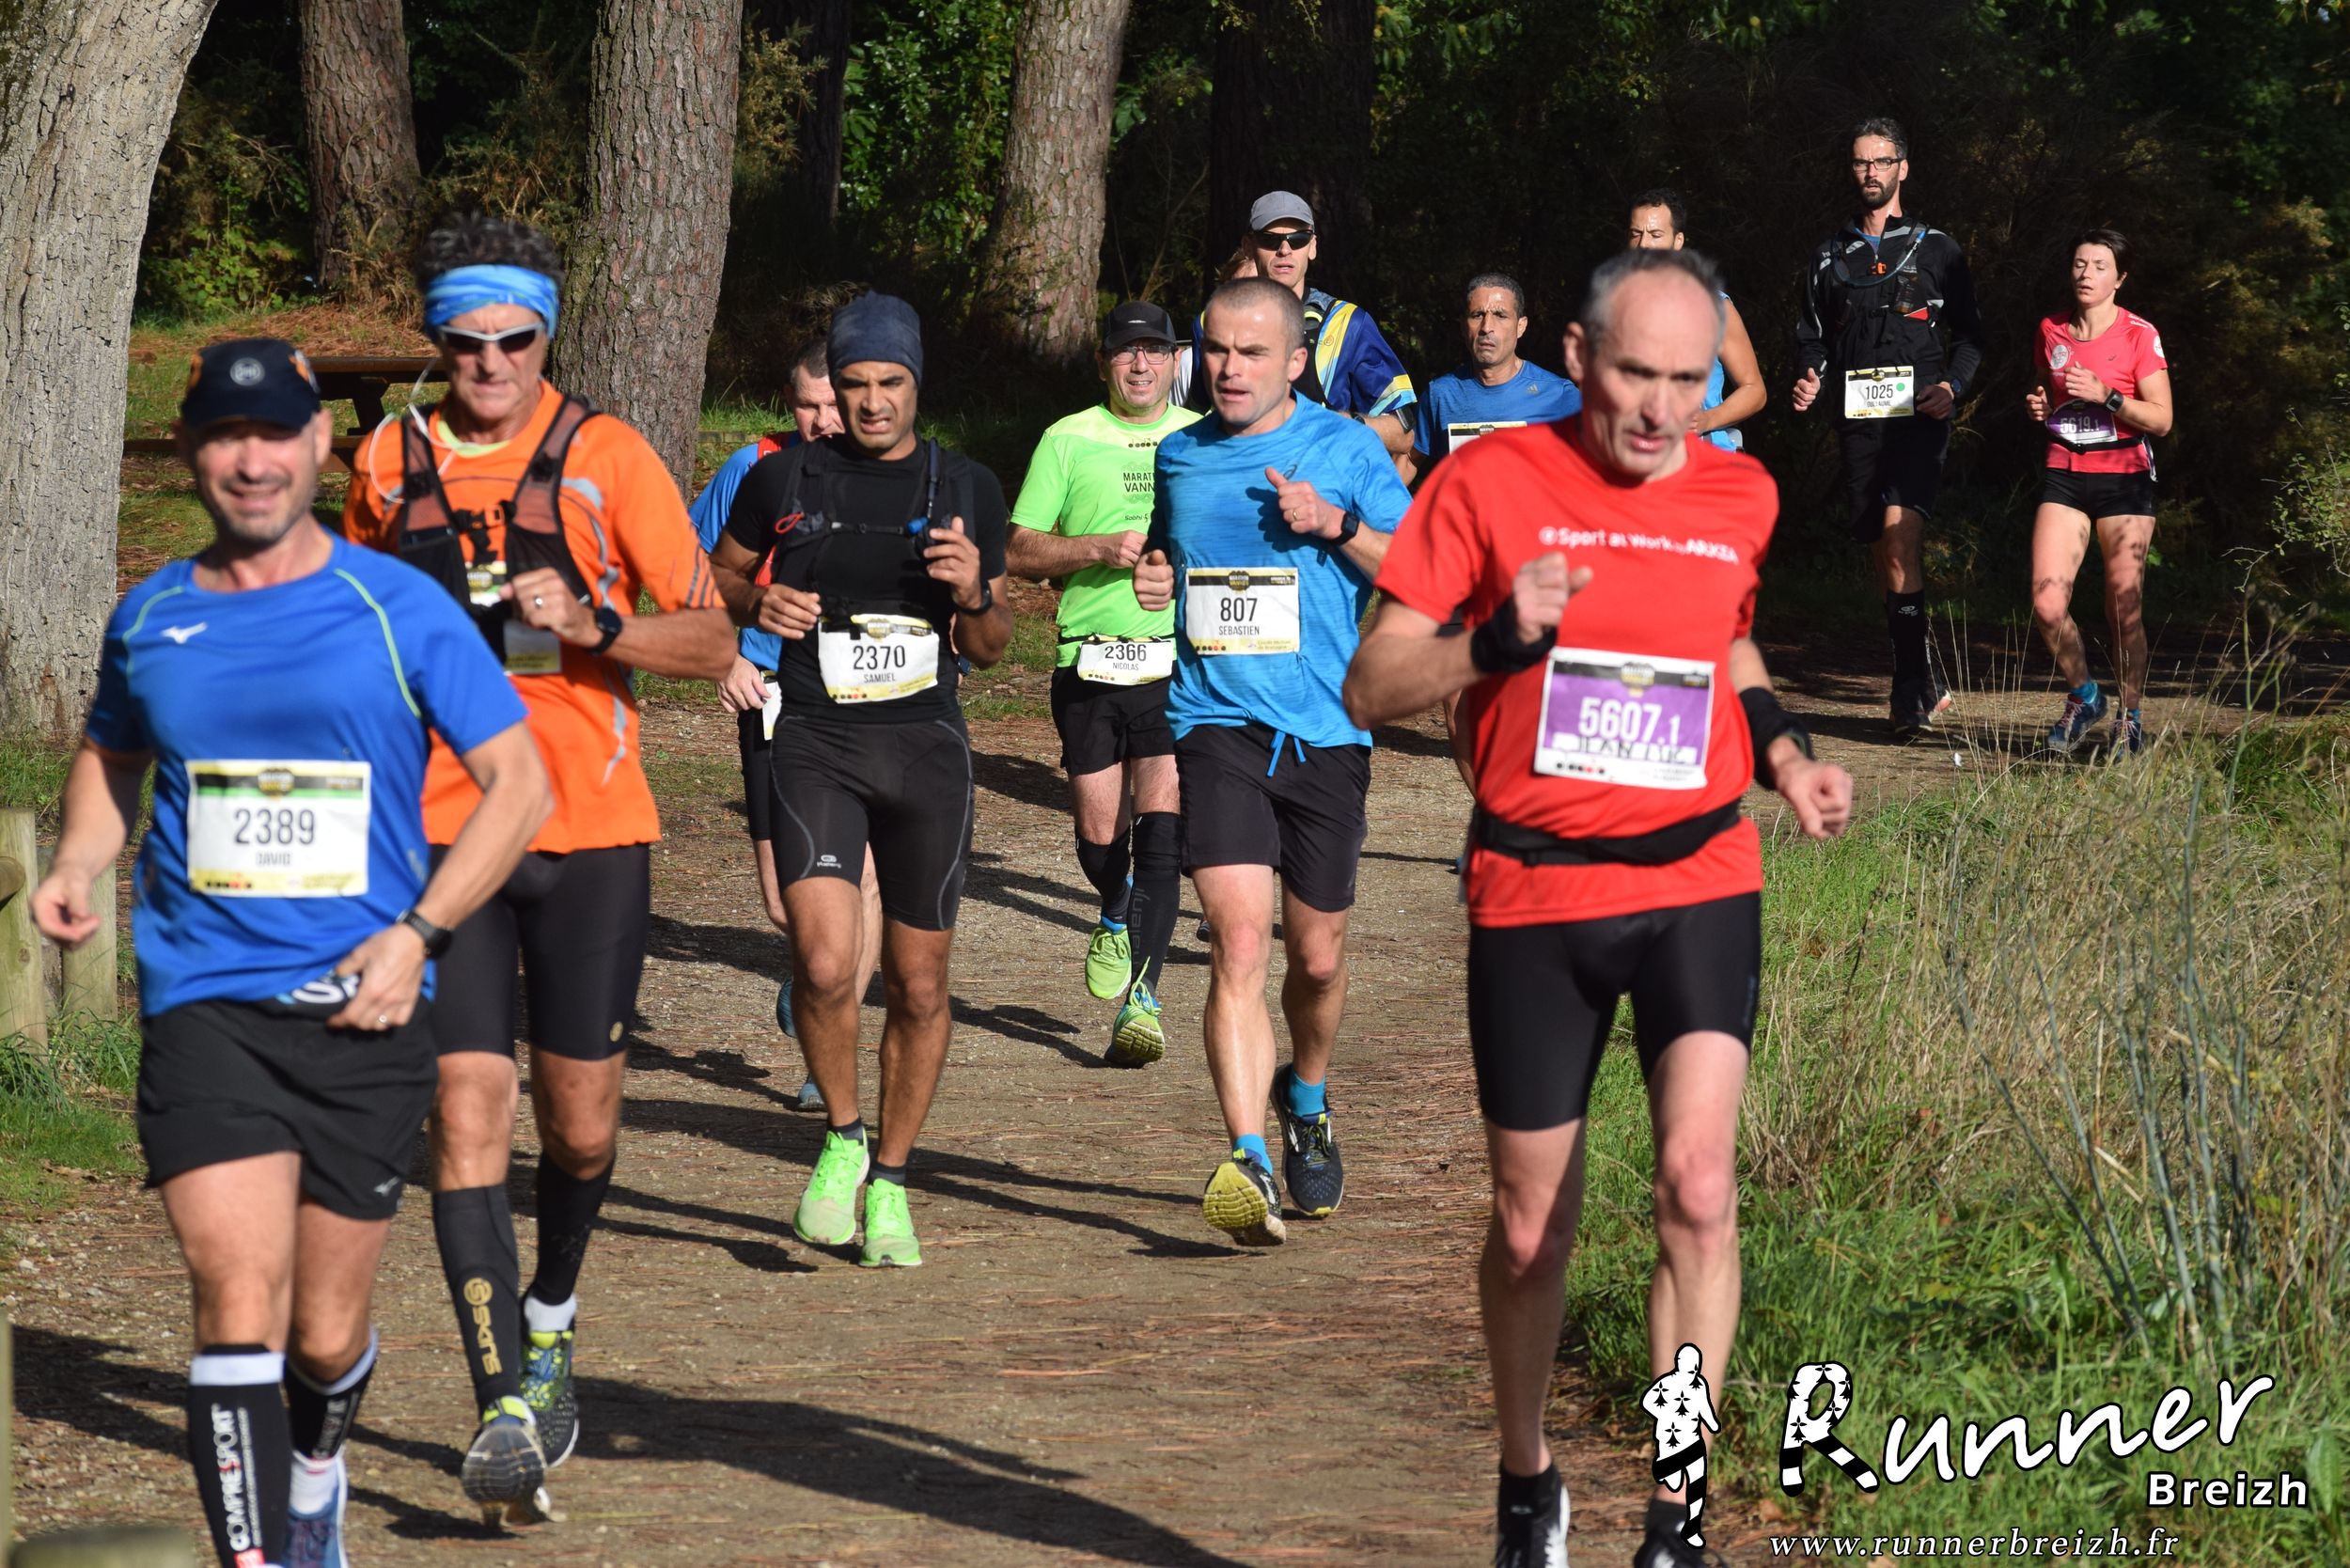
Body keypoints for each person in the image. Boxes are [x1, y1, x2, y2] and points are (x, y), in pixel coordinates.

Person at [1342, 248, 1855, 1568]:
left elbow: (1726, 639)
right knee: (1530, 1229)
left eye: (1687, 381)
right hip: (1536, 884)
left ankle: (1676, 1517)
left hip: (1698, 873)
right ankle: (1528, 1483)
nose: (1662, 408)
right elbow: (1371, 685)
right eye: (1636, 375)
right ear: (1577, 356)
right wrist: (1494, 641)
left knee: (1698, 1186)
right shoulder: (1486, 483)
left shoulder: (1740, 491)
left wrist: (1784, 754)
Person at [32, 339, 550, 1568]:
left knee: (323, 1334)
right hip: (205, 1005)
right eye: (225, 437)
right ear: (191, 452)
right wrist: (77, 863)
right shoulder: (152, 614)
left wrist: (418, 935)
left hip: (362, 1010)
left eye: (274, 436)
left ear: (319, 444)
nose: (251, 461)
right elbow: (111, 756)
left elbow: (519, 786)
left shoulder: (397, 608)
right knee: (235, 1303)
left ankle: (316, 1468)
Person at [344, 212, 736, 1519]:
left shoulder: (607, 456)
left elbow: (711, 638)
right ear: (435, 343)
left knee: (580, 1125)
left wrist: (595, 623)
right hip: (438, 837)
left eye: (514, 340)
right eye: (465, 343)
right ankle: (504, 1398)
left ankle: (553, 1314)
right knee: (466, 1114)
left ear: (546, 337)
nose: (491, 364)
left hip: (588, 834)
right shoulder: (384, 459)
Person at [709, 292, 1013, 1270]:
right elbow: (717, 574)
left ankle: (891, 1177)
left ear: (917, 383)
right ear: (831, 389)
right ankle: (842, 1136)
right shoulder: (784, 476)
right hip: (817, 745)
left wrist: (971, 590)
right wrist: (758, 598)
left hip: (926, 752)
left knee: (919, 986)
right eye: (854, 384)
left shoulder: (964, 484)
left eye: (890, 382)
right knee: (825, 963)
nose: (872, 401)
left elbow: (991, 645)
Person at [1133, 276, 1413, 1245]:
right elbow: (1169, 557)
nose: (1229, 368)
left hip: (1327, 732)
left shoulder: (1345, 449)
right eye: (1215, 349)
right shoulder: (1179, 455)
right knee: (1240, 942)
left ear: (1296, 361)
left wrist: (1337, 525)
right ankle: (1247, 1156)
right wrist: (1155, 574)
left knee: (1318, 957)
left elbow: (1426, 568)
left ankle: (1307, 1096)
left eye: (1252, 352)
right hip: (1215, 724)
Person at [687, 337, 880, 1108]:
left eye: (835, 403)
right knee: (783, 898)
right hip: (771, 692)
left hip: (863, 696)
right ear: (789, 404)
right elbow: (689, 567)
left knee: (862, 876)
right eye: (808, 404)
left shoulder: (893, 472)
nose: (823, 419)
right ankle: (815, 977)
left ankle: (829, 1050)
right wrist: (724, 658)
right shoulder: (754, 470)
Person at [1006, 301, 1200, 1064]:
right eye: (1127, 352)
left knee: (1163, 829)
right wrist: (1095, 548)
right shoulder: (1068, 437)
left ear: (1175, 361)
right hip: (1089, 659)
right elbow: (1017, 548)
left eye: (1156, 350)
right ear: (1104, 363)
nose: (1141, 364)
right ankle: (1114, 910)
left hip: (1177, 661)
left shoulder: (1202, 437)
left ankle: (1143, 998)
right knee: (1097, 838)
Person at [1793, 118, 1985, 735]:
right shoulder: (1829, 254)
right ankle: (1922, 672)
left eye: (1881, 161)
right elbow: (1812, 337)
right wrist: (1809, 376)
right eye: (1860, 162)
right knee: (1883, 547)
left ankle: (1906, 695)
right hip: (1859, 420)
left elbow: (1972, 337)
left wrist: (1951, 387)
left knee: (1901, 541)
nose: (1870, 172)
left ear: (1903, 167)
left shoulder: (1938, 248)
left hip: (1918, 417)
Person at [2025, 228, 2173, 756]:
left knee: (2122, 607)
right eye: (2080, 264)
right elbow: (2046, 386)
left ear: (2120, 278)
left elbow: (2162, 419)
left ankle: (2130, 718)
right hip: (2065, 471)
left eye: (2100, 266)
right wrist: (2040, 405)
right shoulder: (2051, 329)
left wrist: (2109, 396)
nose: (2087, 274)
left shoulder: (2138, 334)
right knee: (2046, 604)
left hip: (2124, 477)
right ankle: (2085, 695)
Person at [1191, 192, 1419, 479]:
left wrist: (1342, 425)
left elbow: (1405, 431)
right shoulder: (1211, 323)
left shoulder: (1347, 323)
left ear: (1312, 247)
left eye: (1298, 239)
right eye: (1270, 240)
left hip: (1322, 495)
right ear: (1248, 246)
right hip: (1237, 488)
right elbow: (1194, 420)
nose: (1285, 250)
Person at [1627, 189, 1765, 453]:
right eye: (1636, 234)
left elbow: (1755, 390)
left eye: (1655, 235)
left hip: (1701, 459)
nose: (1643, 244)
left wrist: (1707, 420)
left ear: (1677, 241)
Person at [1413, 274, 1583, 467]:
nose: (1487, 327)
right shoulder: (1440, 395)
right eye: (1477, 315)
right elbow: (1409, 459)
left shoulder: (1560, 396)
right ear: (1463, 326)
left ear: (1521, 326)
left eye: (1501, 316)